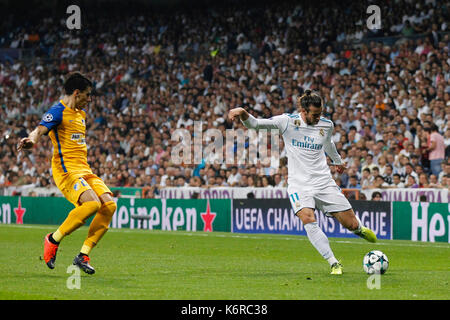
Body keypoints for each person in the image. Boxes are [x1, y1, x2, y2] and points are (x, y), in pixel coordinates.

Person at [228, 90, 377, 275]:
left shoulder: (326, 124)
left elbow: (328, 144)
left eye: (320, 113)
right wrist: (243, 112)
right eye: (314, 114)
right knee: (307, 218)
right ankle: (334, 262)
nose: (318, 117)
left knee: (351, 225)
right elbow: (256, 125)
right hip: (299, 185)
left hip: (323, 182)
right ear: (304, 110)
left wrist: (337, 161)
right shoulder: (287, 122)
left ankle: (360, 229)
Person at [17, 72, 117, 275]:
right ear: (77, 93)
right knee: (92, 204)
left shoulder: (81, 115)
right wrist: (32, 140)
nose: (90, 100)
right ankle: (53, 239)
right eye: (88, 95)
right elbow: (39, 130)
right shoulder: (58, 111)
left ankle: (83, 255)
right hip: (66, 171)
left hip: (84, 169)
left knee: (109, 205)